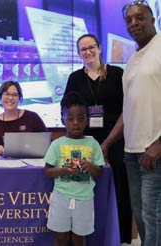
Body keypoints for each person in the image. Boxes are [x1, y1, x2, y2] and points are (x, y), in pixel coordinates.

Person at [64, 34, 132, 243]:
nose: (88, 52)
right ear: (78, 53)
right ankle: (84, 237)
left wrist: (107, 143)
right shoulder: (75, 78)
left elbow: (127, 110)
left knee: (119, 189)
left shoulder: (117, 74)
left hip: (115, 139)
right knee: (81, 189)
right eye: (83, 49)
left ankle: (119, 238)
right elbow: (66, 108)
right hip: (83, 142)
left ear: (100, 48)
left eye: (91, 47)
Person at [103, 2, 161, 245]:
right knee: (141, 216)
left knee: (153, 216)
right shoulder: (133, 59)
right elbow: (129, 111)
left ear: (152, 19)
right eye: (129, 20)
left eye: (140, 17)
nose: (134, 23)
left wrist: (159, 144)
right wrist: (107, 143)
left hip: (154, 153)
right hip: (132, 153)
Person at [44, 91, 104, 246]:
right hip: (61, 198)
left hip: (85, 199)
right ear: (63, 120)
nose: (76, 123)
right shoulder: (57, 144)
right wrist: (64, 170)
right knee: (61, 238)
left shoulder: (93, 144)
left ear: (87, 120)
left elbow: (99, 171)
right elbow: (48, 170)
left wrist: (89, 166)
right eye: (70, 119)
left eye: (80, 118)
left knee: (79, 238)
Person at [0, 80, 47, 154]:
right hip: (0, 164)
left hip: (30, 163)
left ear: (20, 98)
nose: (10, 98)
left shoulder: (32, 118)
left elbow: (47, 144)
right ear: (0, 97)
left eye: (15, 95)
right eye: (6, 94)